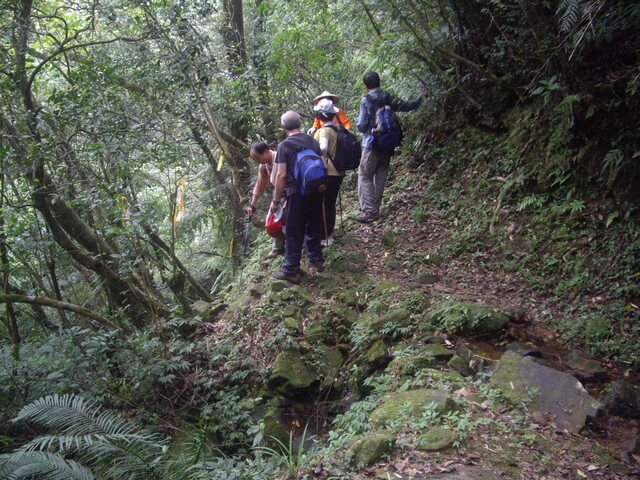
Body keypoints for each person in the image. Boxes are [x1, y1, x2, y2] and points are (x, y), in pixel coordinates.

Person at [355, 71, 422, 223]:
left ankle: (369, 211)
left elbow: (361, 125)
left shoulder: (366, 100)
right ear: (379, 82)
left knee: (364, 175)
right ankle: (375, 209)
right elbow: (406, 106)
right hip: (388, 142)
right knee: (380, 176)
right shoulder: (388, 96)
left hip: (371, 143)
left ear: (366, 85)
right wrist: (420, 100)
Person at [271, 111, 325, 283]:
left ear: (283, 127)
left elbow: (281, 175)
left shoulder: (285, 145)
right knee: (313, 225)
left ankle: (291, 270)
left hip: (296, 193)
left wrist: (276, 200)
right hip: (317, 189)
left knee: (294, 231)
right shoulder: (313, 140)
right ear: (300, 124)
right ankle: (316, 261)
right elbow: (323, 164)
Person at [313, 99, 344, 245]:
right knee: (330, 204)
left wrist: (323, 163)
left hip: (328, 172)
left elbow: (323, 148)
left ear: (320, 115)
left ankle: (325, 237)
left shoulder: (324, 130)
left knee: (324, 204)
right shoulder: (336, 129)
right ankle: (329, 234)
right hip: (338, 171)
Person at [248, 141, 285, 258]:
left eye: (258, 158)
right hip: (278, 194)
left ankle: (292, 246)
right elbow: (260, 186)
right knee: (272, 220)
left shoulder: (281, 157)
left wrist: (276, 201)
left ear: (265, 151)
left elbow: (283, 178)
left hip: (291, 191)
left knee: (287, 220)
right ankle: (278, 247)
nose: (258, 161)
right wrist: (252, 204)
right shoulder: (263, 166)